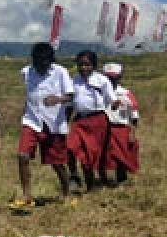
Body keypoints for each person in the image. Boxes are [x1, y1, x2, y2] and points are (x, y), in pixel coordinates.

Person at [10, 41, 75, 211]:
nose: (41, 66)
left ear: (50, 61)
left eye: (44, 63)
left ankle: (67, 193)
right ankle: (27, 195)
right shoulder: (27, 72)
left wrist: (57, 99)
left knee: (57, 163)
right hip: (31, 121)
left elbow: (71, 96)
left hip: (53, 124)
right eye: (37, 63)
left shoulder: (60, 72)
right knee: (22, 155)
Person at [65, 49, 118, 192]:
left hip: (97, 121)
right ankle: (74, 176)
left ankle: (91, 184)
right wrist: (65, 122)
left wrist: (115, 104)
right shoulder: (73, 81)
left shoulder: (101, 80)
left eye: (87, 64)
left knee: (89, 155)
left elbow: (111, 99)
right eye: (81, 64)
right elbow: (69, 104)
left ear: (93, 65)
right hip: (79, 121)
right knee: (70, 147)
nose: (84, 68)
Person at [100, 62, 140, 185]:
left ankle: (121, 179)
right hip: (103, 128)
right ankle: (103, 180)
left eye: (114, 77)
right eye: (108, 77)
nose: (111, 80)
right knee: (102, 155)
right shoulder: (99, 93)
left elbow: (134, 115)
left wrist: (132, 132)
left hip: (121, 128)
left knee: (121, 155)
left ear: (119, 77)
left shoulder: (126, 94)